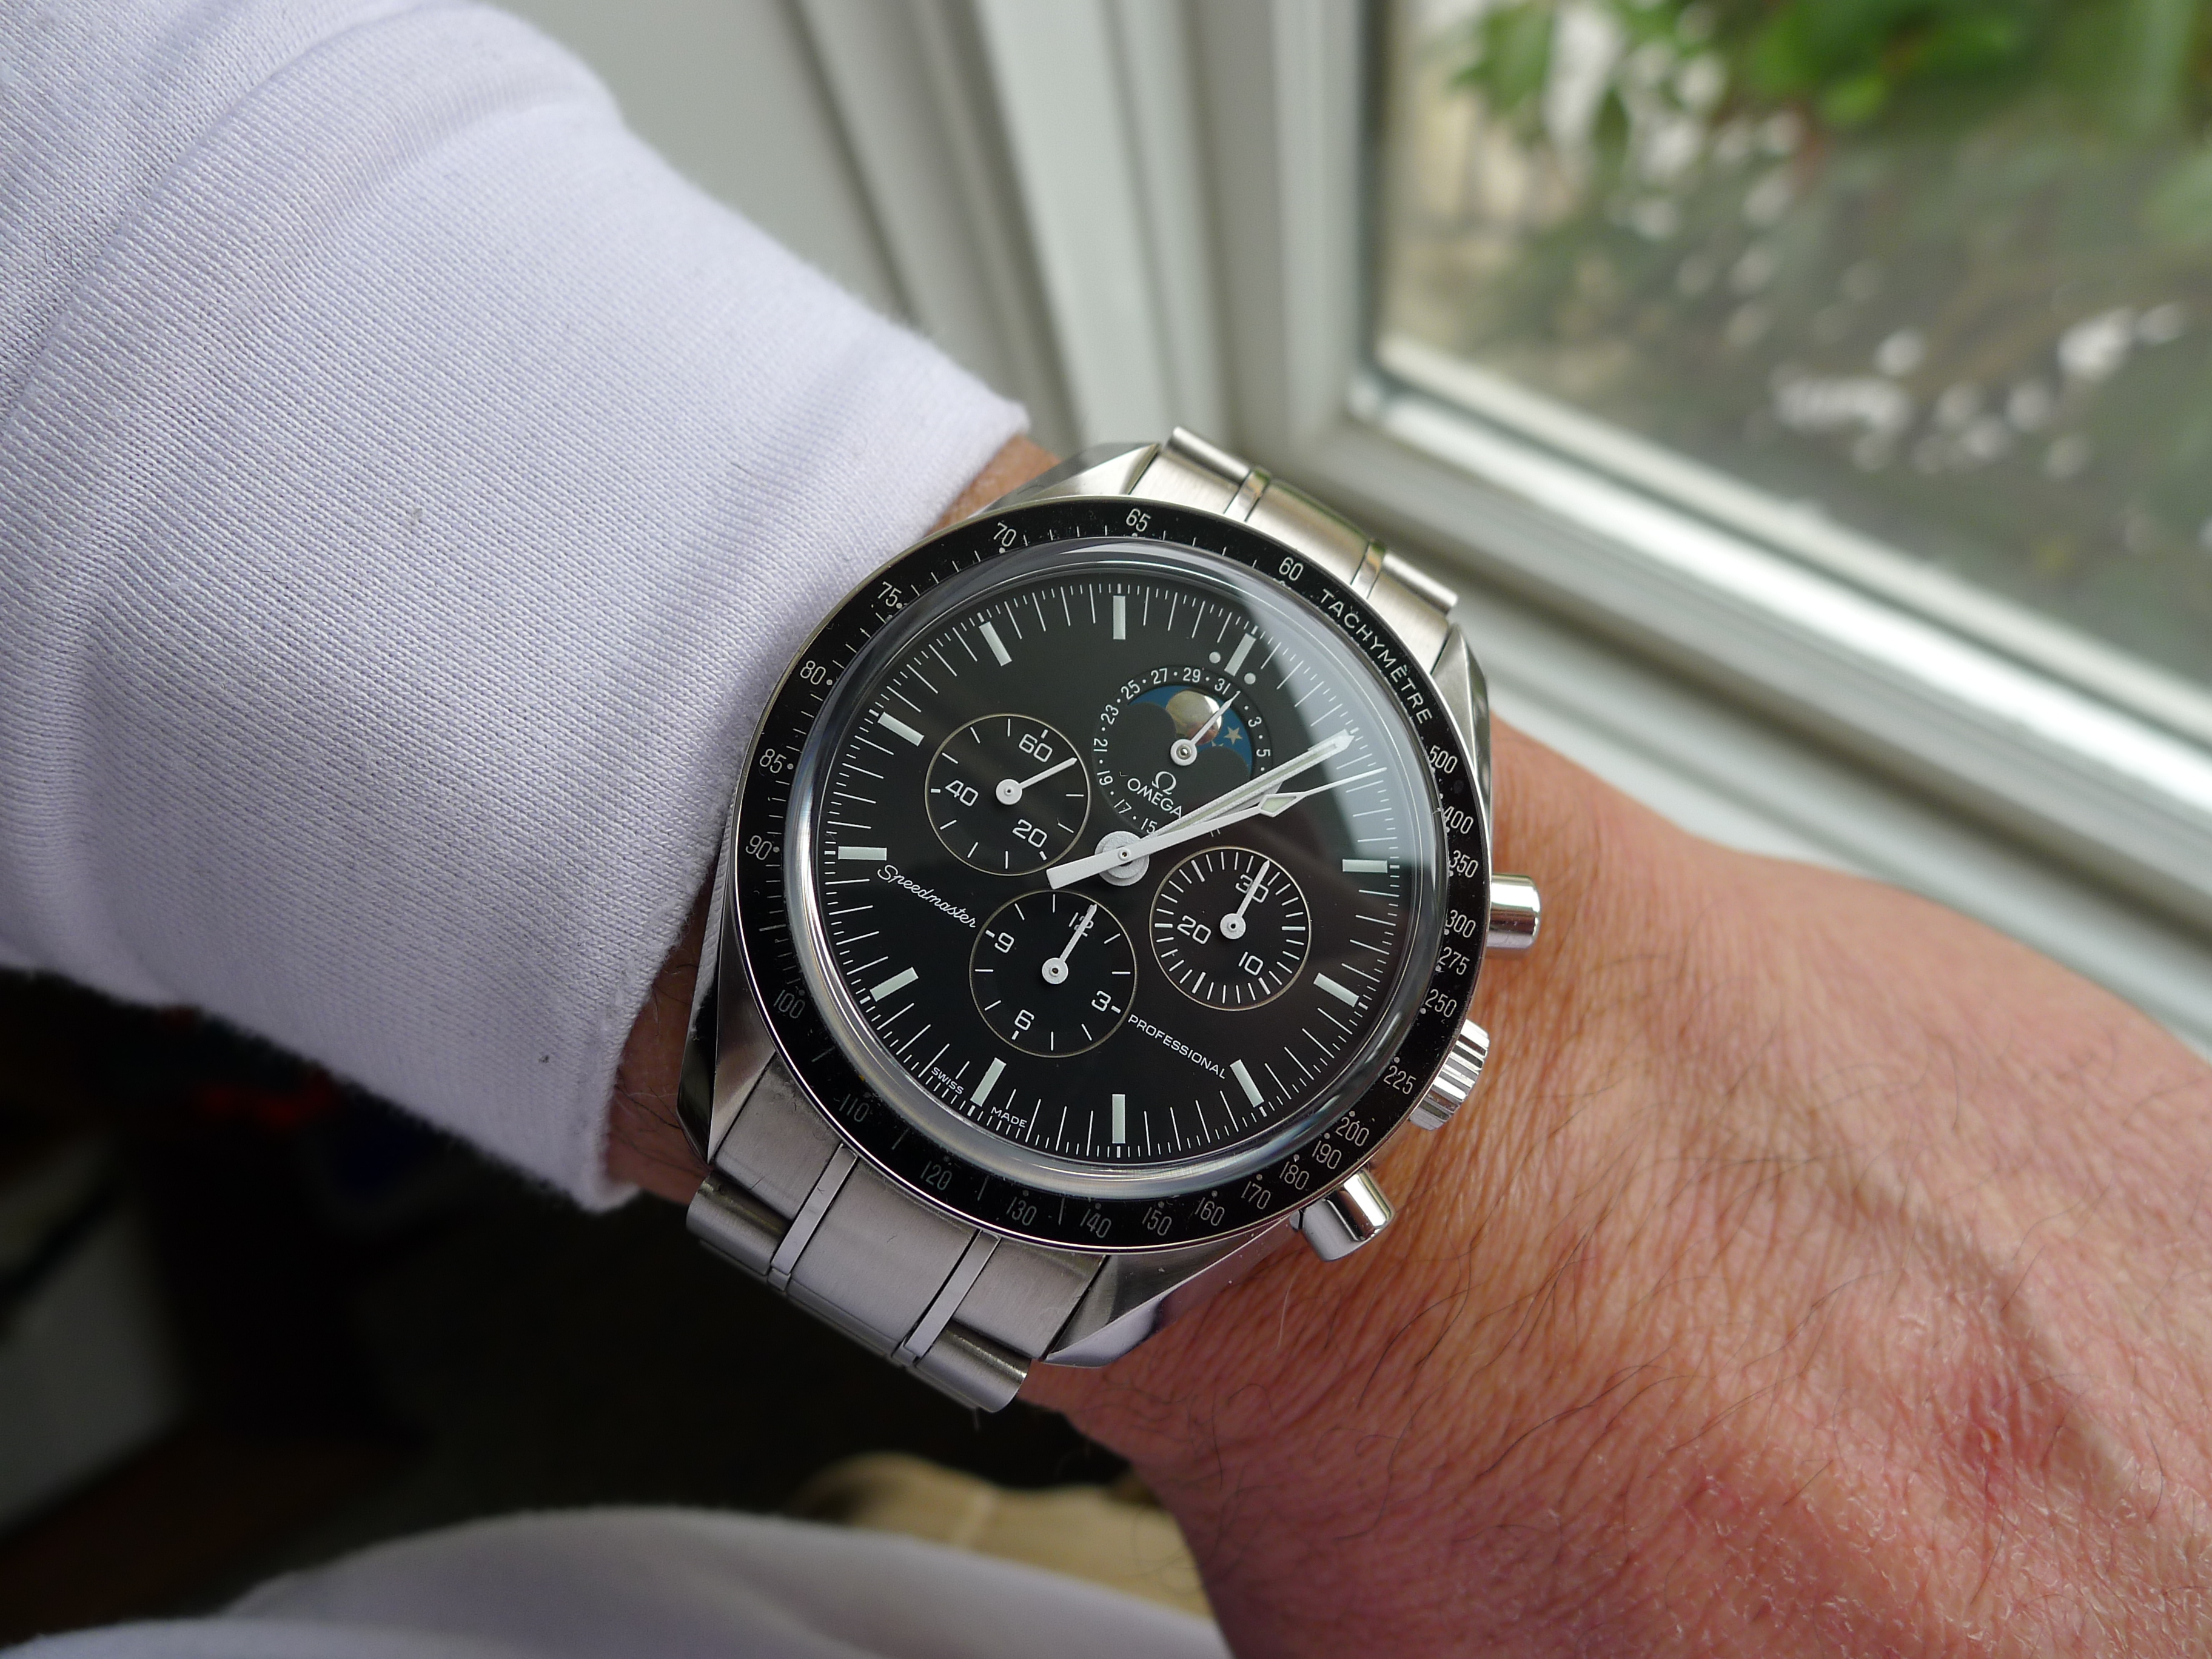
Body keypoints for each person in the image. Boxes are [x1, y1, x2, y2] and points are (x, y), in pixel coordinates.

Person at [6, 2, 2210, 1654]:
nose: (1115, 862)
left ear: (1447, 1006)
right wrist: (1543, 1226)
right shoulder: (1171, 606)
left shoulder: (1352, 1005)